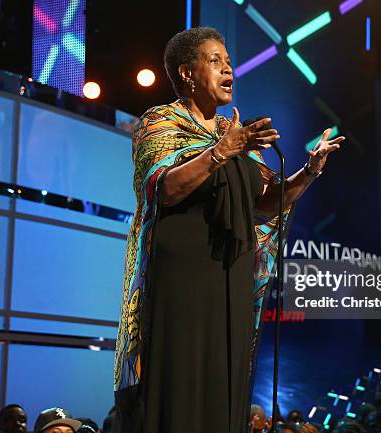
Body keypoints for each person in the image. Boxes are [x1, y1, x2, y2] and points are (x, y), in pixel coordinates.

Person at [113, 26, 344, 433]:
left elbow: (265, 205)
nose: (228, 70)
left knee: (226, 383)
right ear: (187, 73)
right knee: (179, 385)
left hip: (232, 279)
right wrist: (220, 152)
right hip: (180, 282)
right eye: (215, 61)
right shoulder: (159, 122)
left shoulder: (232, 133)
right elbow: (162, 189)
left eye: (229, 62)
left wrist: (309, 172)